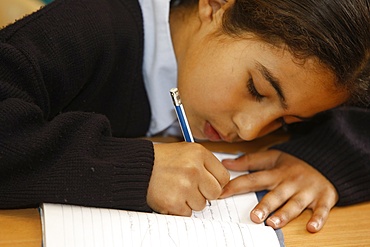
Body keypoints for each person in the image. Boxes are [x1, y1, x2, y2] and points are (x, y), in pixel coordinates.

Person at [0, 0, 368, 234]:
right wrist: (135, 169)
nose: (250, 129)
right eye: (257, 89)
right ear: (216, 6)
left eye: (287, 122)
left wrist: (325, 161)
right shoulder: (86, 25)